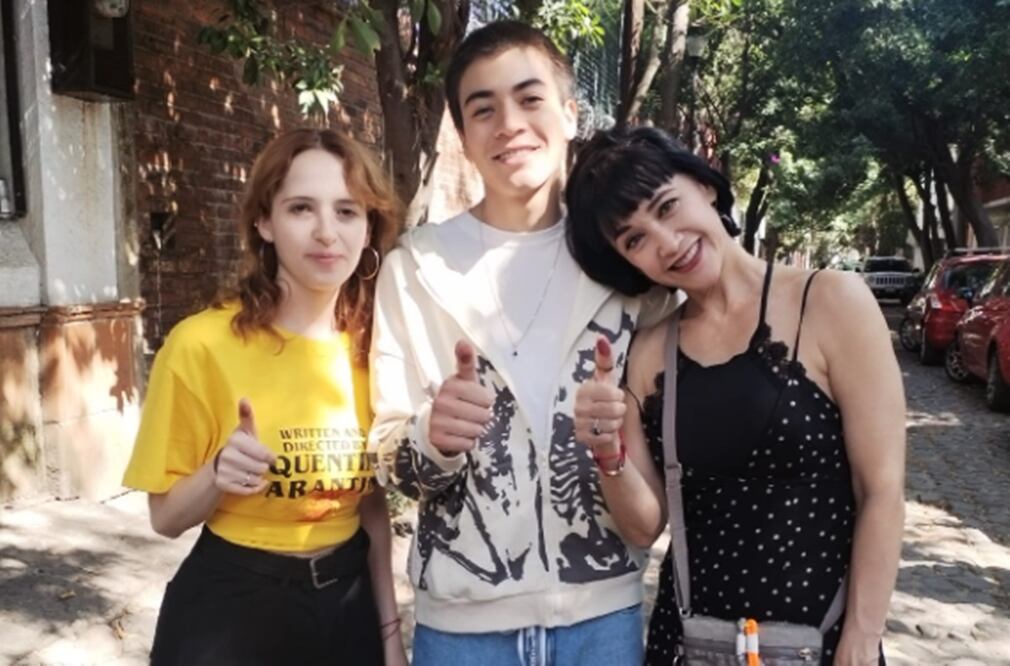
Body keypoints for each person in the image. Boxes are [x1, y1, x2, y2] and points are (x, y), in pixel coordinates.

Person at [368, 21, 669, 666]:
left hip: (604, 620)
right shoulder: (417, 270)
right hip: (463, 630)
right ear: (463, 135)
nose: (509, 123)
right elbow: (386, 455)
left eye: (529, 99)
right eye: (484, 109)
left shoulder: (624, 258)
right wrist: (431, 436)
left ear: (568, 111)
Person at [566, 126, 905, 666]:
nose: (666, 241)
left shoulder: (831, 302)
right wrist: (609, 453)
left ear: (706, 188)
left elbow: (881, 488)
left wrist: (863, 636)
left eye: (668, 206)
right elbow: (644, 525)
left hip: (824, 644)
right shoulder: (651, 352)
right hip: (692, 647)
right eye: (635, 239)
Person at [122, 129, 406, 665]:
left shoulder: (377, 350)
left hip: (347, 609)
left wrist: (389, 636)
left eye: (347, 211)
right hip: (233, 608)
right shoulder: (200, 344)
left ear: (369, 228)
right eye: (301, 208)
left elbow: (371, 507)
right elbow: (165, 518)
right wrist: (217, 473)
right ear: (264, 222)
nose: (327, 232)